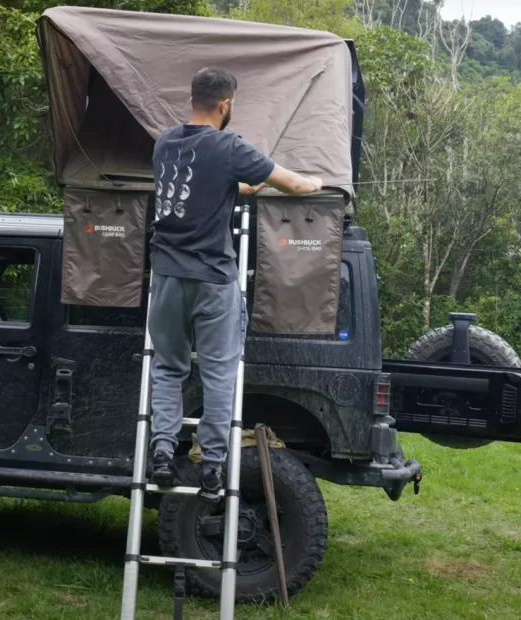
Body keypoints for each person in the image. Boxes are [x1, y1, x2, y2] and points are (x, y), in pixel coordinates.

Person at [149, 67, 324, 502]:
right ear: (226, 104)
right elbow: (296, 184)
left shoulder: (165, 143)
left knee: (168, 368)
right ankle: (211, 466)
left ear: (192, 98)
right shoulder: (229, 147)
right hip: (213, 280)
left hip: (168, 276)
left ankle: (162, 451)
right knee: (219, 372)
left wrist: (240, 188)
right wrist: (318, 181)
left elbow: (195, 190)